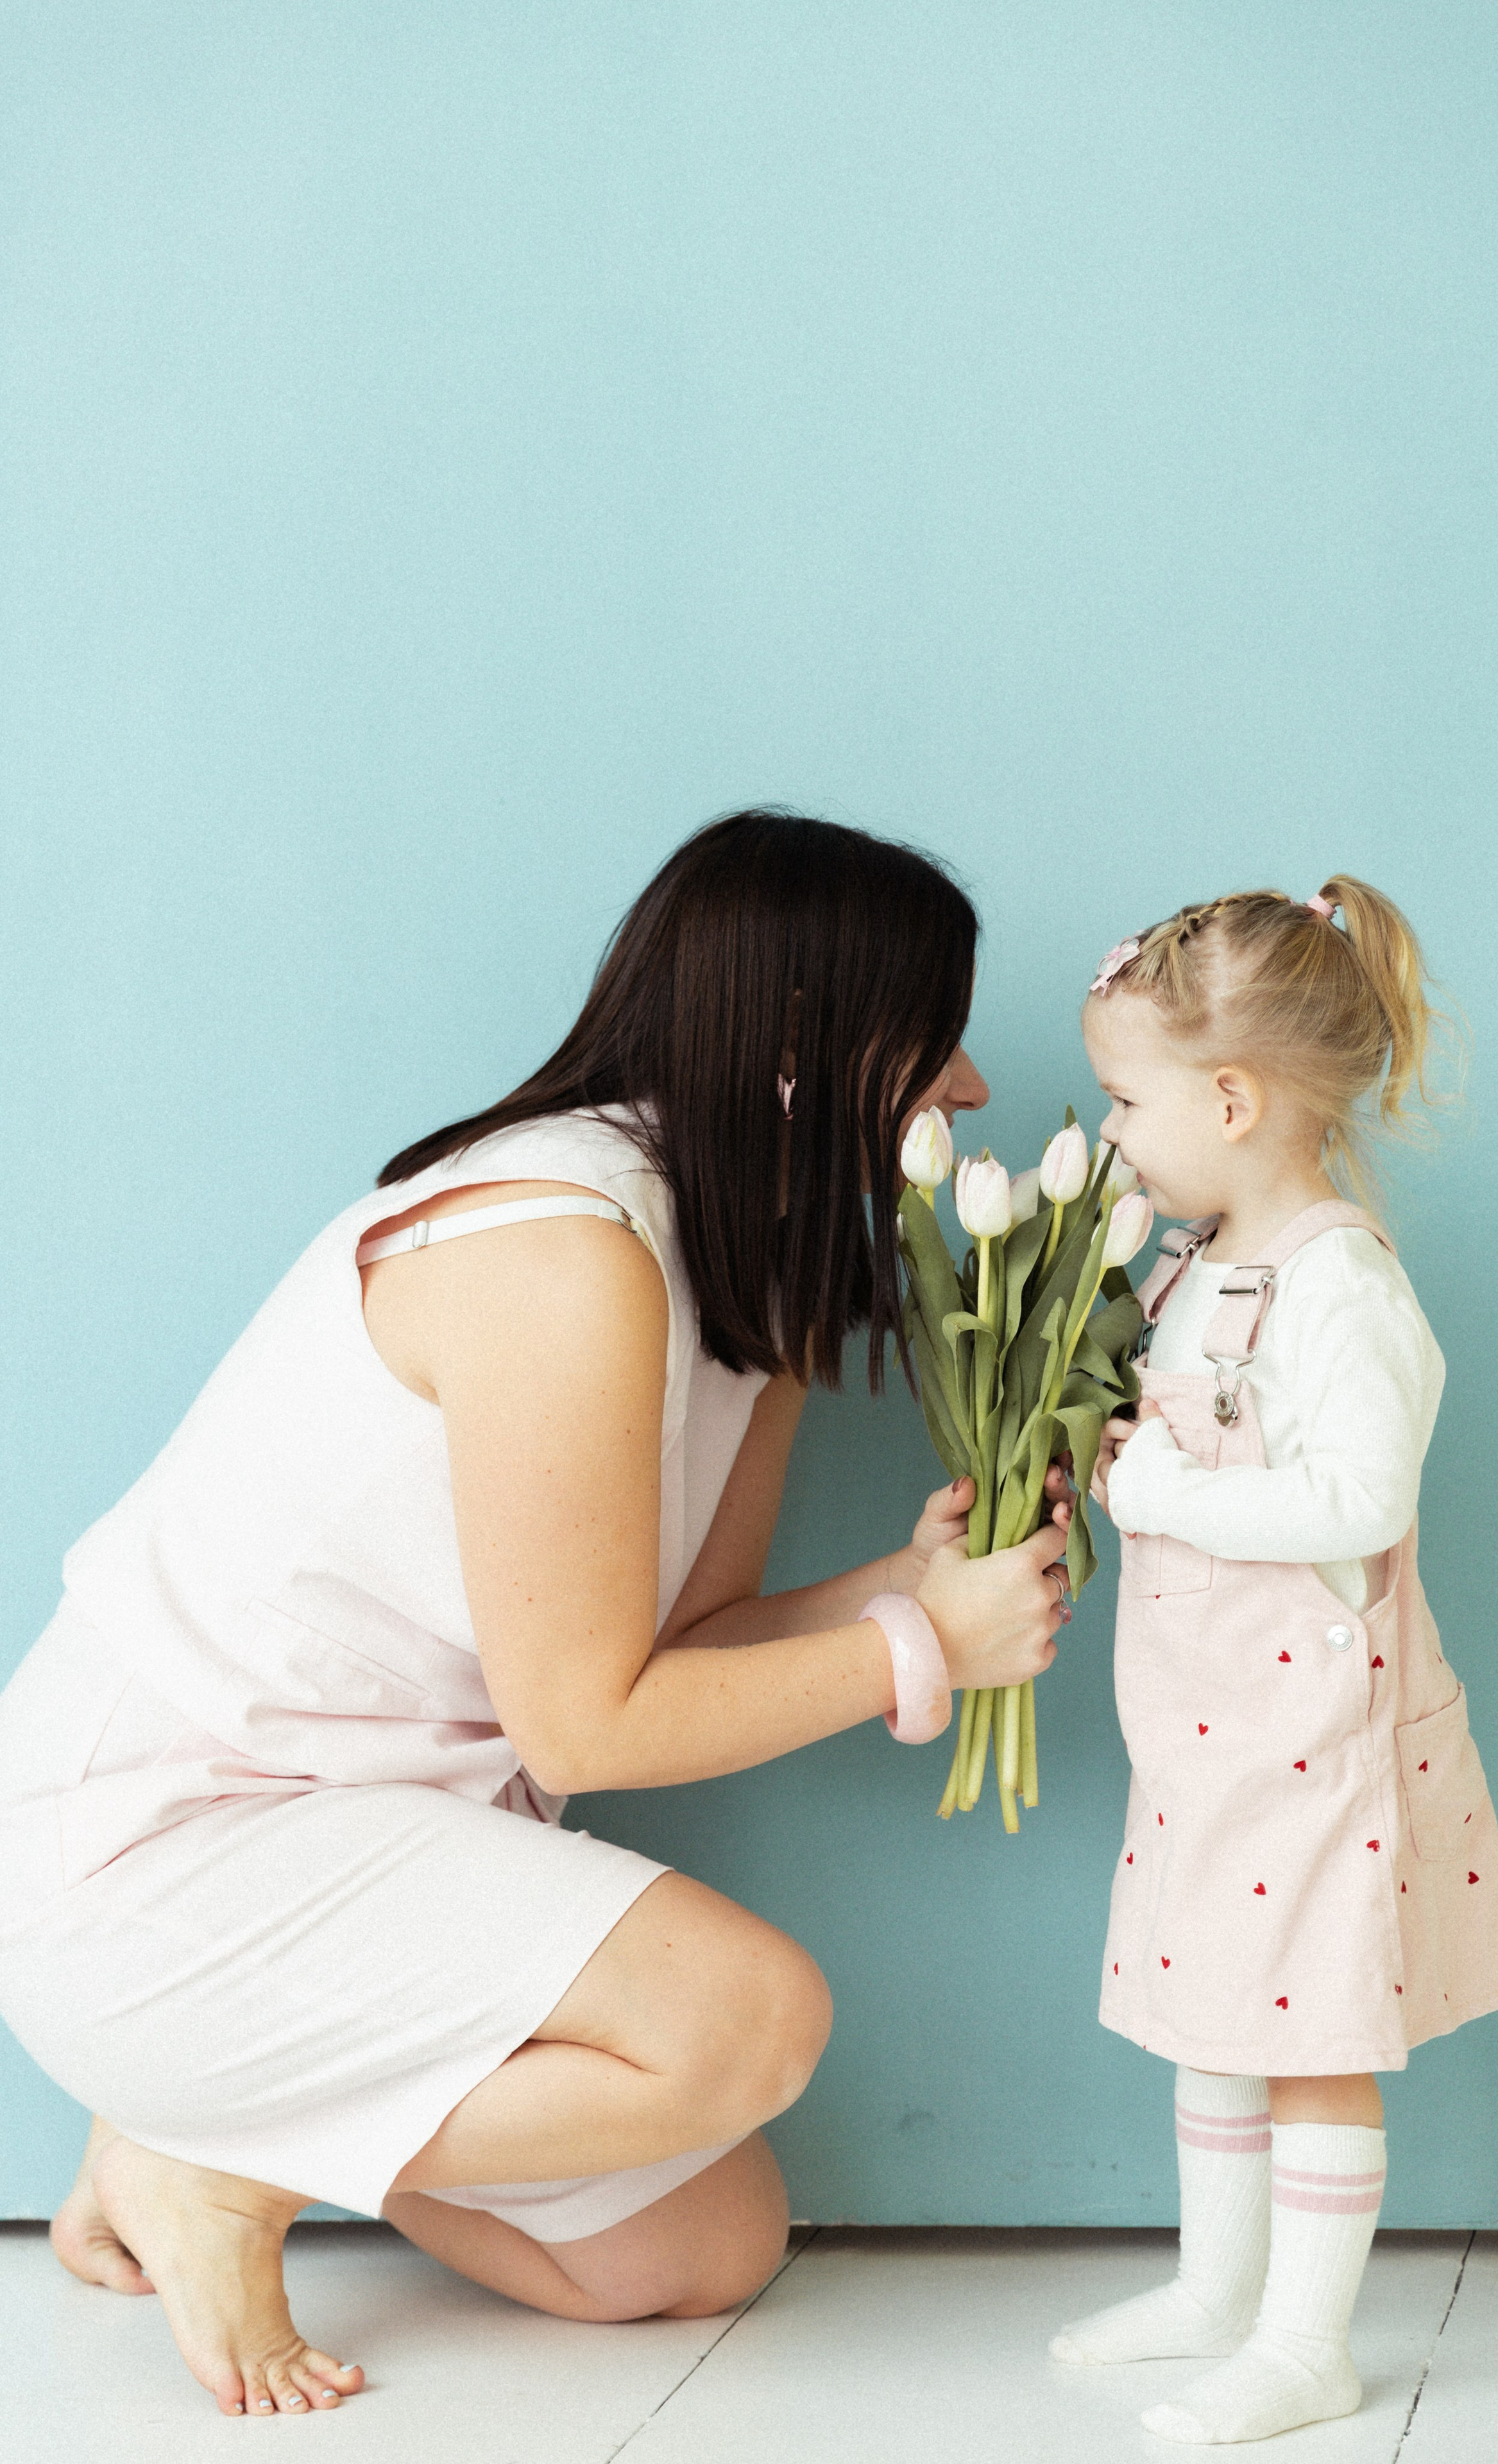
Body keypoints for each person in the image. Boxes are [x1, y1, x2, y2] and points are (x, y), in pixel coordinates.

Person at [0, 809, 1073, 2420]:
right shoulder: (557, 1248)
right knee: (750, 2024)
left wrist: (903, 1588)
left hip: (376, 1846)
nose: (968, 1085)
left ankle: (213, 2120)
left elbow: (681, 1644)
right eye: (929, 1034)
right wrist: (918, 1657)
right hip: (173, 1847)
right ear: (799, 1045)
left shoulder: (743, 1262)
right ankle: (216, 2163)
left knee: (695, 2251)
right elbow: (590, 1728)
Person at [1049, 879, 1498, 2445]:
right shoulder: (1190, 1266)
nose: (1108, 1133)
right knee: (1212, 2010)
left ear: (1232, 1099)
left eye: (1125, 1100)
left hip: (1316, 1738)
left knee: (1306, 2033)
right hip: (1205, 1731)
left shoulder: (1337, 1283)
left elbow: (1358, 1500)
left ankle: (1305, 2342)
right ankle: (1213, 2290)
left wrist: (1162, 1489)